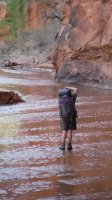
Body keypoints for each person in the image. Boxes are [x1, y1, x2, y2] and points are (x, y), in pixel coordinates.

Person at [58, 86, 78, 151]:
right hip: (72, 115)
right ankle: (69, 146)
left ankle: (62, 146)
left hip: (63, 116)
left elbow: (60, 109)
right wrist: (68, 87)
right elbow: (76, 89)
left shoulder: (60, 99)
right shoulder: (72, 98)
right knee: (70, 131)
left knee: (64, 131)